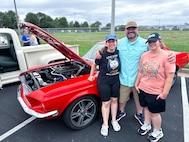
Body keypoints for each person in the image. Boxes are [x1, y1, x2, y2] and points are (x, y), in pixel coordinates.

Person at [96, 21, 175, 126]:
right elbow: (109, 46)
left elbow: (159, 49)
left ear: (137, 30)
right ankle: (121, 112)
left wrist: (171, 53)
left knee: (139, 100)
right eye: (128, 29)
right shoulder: (120, 42)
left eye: (133, 28)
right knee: (122, 98)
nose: (131, 31)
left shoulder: (145, 43)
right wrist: (99, 51)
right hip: (123, 77)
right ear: (125, 31)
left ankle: (139, 114)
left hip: (140, 79)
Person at [135, 32, 175, 142]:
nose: (152, 44)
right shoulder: (144, 55)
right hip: (143, 88)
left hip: (156, 91)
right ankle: (147, 125)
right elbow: (140, 71)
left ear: (159, 42)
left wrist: (164, 93)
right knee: (146, 108)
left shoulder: (167, 56)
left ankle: (158, 131)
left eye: (154, 41)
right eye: (150, 42)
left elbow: (170, 76)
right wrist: (136, 84)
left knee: (154, 113)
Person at [88, 34, 121, 137]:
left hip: (115, 80)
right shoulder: (101, 53)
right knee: (106, 103)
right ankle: (105, 124)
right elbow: (94, 64)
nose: (111, 43)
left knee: (115, 100)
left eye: (113, 41)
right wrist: (91, 75)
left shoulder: (119, 52)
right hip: (104, 81)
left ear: (116, 42)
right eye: (109, 41)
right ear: (106, 43)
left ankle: (114, 120)